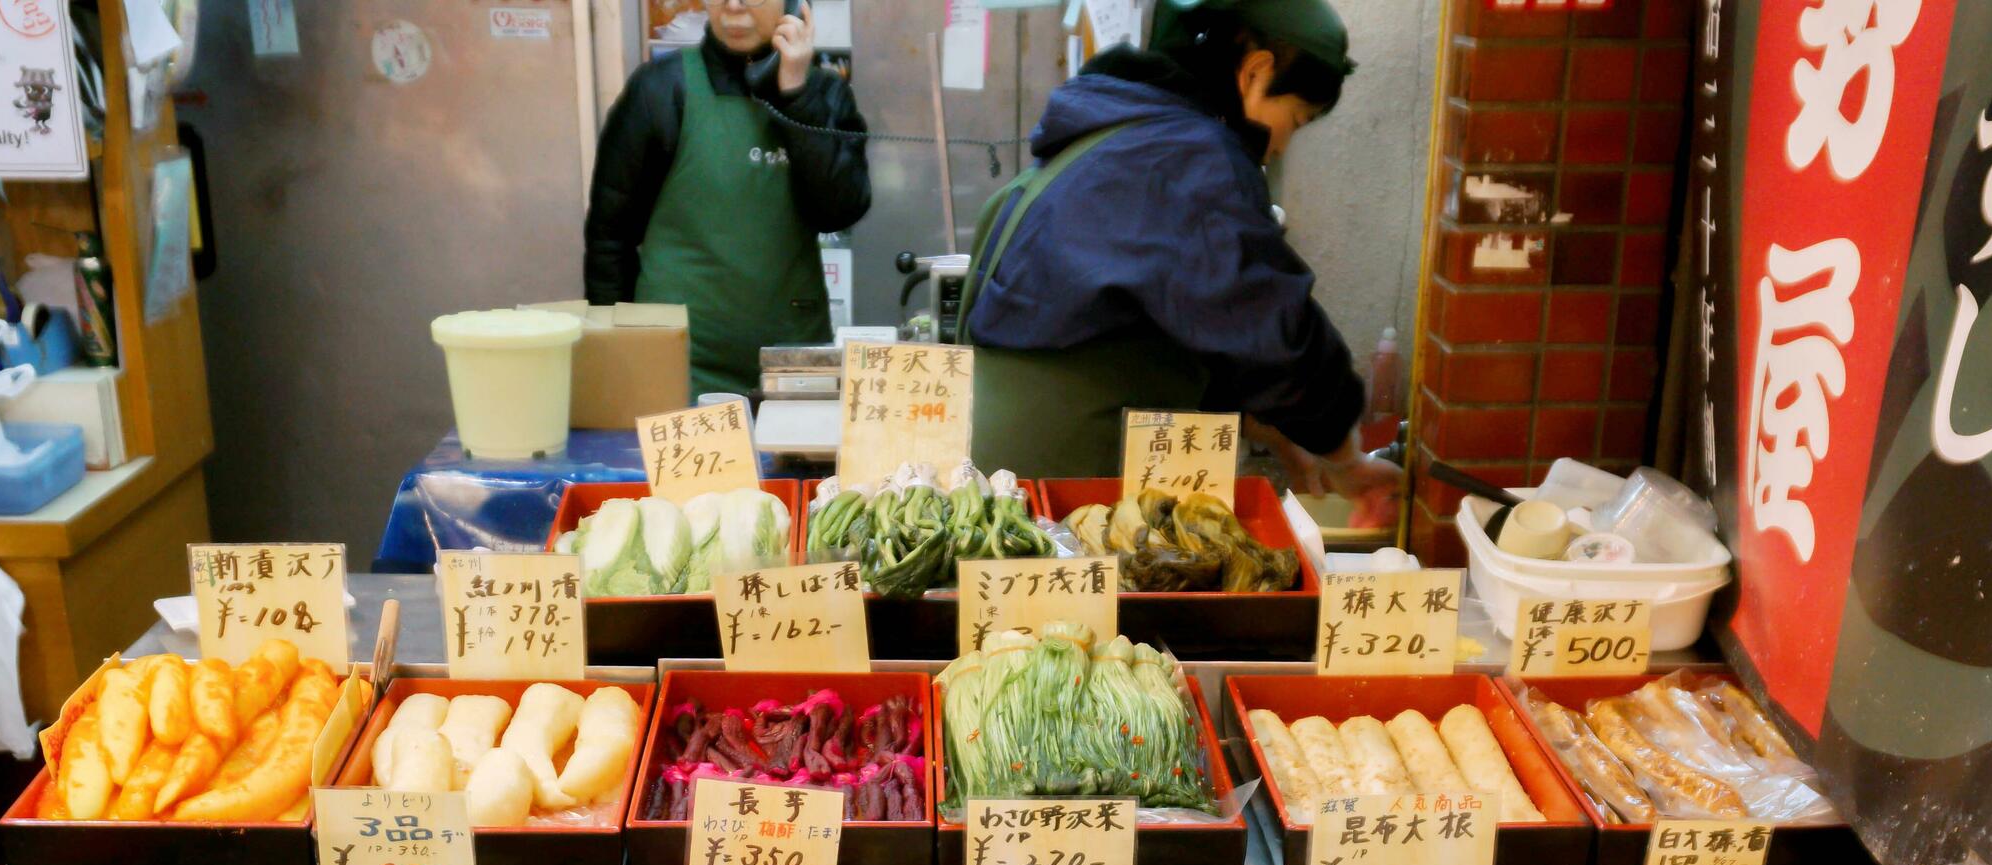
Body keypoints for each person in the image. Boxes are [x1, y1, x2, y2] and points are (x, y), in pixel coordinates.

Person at [956, 0, 1402, 515]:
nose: (1281, 144)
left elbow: (1197, 324)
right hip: (1069, 465)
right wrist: (1345, 457)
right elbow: (1266, 323)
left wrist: (1282, 435)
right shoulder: (1188, 156)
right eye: (1296, 119)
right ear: (1256, 73)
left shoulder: (1120, 136)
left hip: (1008, 463)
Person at [584, 0, 872, 401]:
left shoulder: (824, 93)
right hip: (678, 367)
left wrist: (796, 95)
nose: (734, 5)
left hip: (792, 367)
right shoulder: (661, 89)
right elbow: (610, 237)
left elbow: (838, 211)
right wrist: (615, 358)